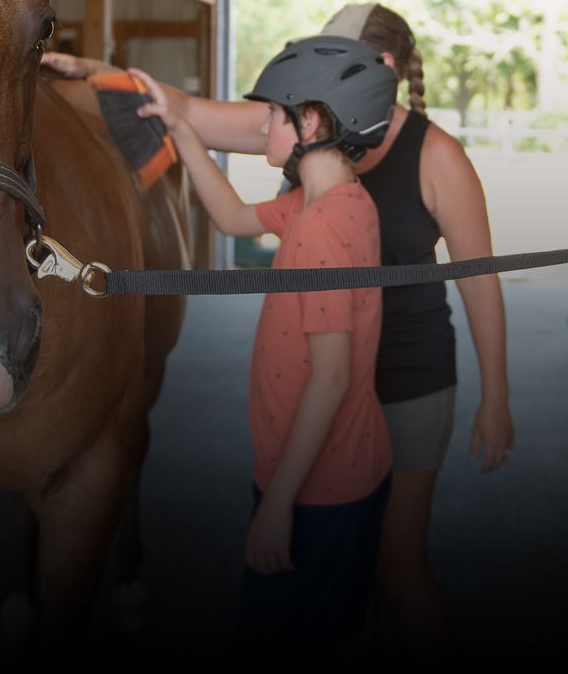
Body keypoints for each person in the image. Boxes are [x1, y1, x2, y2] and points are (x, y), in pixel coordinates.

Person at [41, 3, 515, 654]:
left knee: (391, 569)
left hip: (402, 381)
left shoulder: (394, 179)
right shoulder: (327, 185)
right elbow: (203, 146)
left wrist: (497, 396)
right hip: (345, 412)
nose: (264, 121)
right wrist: (103, 78)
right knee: (348, 583)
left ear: (353, 85)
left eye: (276, 113)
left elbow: (473, 282)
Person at [130, 33, 397, 655]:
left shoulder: (318, 233)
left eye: (272, 114)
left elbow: (329, 379)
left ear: (309, 123)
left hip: (315, 488)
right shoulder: (335, 202)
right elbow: (232, 217)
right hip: (343, 470)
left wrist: (277, 506)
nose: (263, 125)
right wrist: (183, 130)